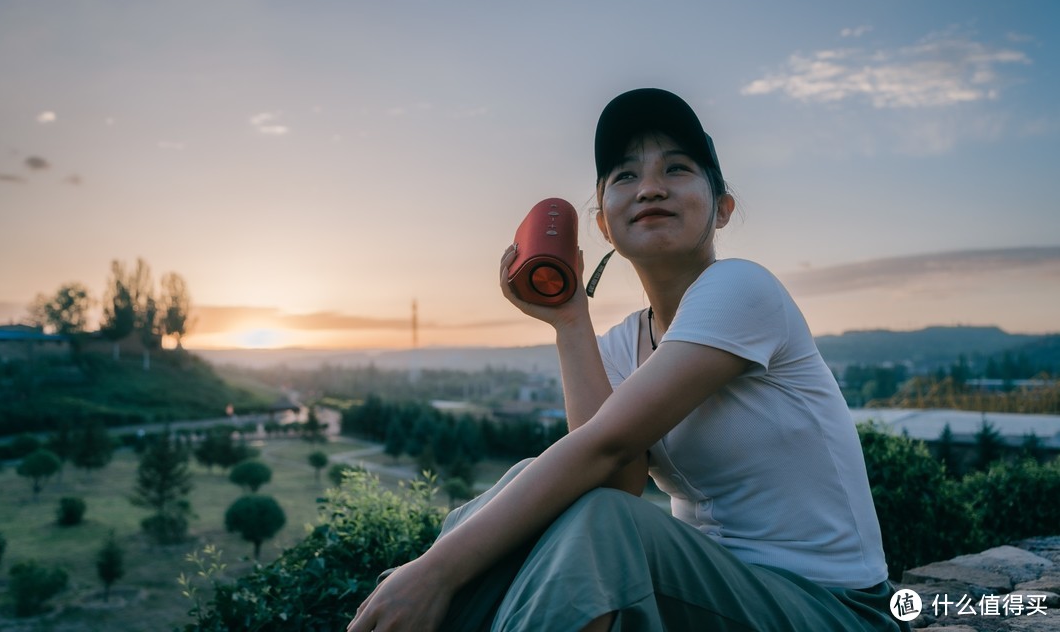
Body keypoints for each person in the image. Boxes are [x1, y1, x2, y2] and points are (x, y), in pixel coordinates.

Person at [349, 88, 908, 632]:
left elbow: (604, 451)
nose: (650, 189)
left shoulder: (743, 289)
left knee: (602, 524)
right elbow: (613, 480)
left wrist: (436, 572)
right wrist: (570, 321)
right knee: (537, 492)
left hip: (833, 609)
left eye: (677, 169)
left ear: (723, 209)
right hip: (716, 597)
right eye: (625, 176)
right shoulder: (622, 344)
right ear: (602, 223)